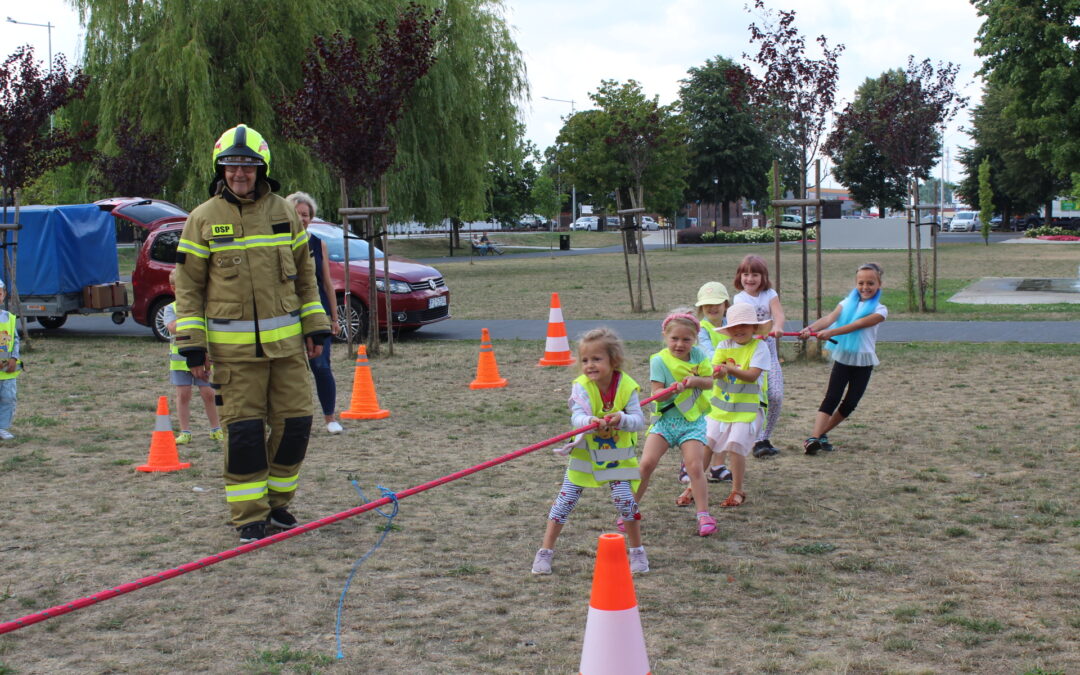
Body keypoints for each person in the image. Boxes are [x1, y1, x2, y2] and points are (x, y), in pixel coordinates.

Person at [174, 124, 331, 543]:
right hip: (232, 356)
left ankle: (277, 504)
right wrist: (193, 346)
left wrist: (316, 324)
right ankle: (248, 515)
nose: (239, 173)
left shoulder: (283, 212)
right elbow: (187, 287)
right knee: (244, 435)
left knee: (296, 425)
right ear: (220, 169)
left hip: (287, 350)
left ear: (261, 168)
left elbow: (305, 276)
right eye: (231, 165)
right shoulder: (202, 219)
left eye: (247, 165)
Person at [532, 328, 649, 575]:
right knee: (565, 502)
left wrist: (621, 419)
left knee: (626, 502)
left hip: (617, 457)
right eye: (585, 360)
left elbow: (639, 421)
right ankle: (545, 552)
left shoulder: (627, 386)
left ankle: (637, 551)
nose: (589, 365)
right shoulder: (581, 387)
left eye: (597, 359)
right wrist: (590, 422)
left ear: (613, 360)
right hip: (584, 456)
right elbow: (576, 417)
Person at [634, 310, 716, 537]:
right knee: (646, 464)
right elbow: (656, 393)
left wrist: (693, 381)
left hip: (692, 423)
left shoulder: (699, 356)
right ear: (665, 336)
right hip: (664, 423)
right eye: (674, 339)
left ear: (695, 340)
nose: (680, 344)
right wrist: (670, 390)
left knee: (694, 466)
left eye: (686, 339)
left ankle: (704, 515)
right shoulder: (659, 360)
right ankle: (629, 509)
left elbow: (709, 382)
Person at [799, 263, 888, 454]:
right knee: (832, 397)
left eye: (870, 283)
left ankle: (820, 434)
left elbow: (858, 325)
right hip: (844, 358)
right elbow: (830, 318)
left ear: (879, 284)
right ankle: (814, 439)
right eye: (861, 283)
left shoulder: (880, 310)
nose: (865, 287)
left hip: (864, 362)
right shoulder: (846, 302)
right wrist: (811, 329)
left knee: (850, 403)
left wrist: (831, 332)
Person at [285, 192, 343, 435]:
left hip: (315, 313)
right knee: (290, 372)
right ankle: (291, 420)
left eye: (306, 215)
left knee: (321, 366)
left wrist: (334, 317)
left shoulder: (319, 244)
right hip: (286, 315)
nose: (302, 219)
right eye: (297, 214)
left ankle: (330, 418)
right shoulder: (278, 244)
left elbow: (327, 284)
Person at [706, 303, 772, 508]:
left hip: (748, 409)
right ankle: (693, 486)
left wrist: (729, 369)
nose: (739, 329)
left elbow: (752, 375)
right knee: (705, 444)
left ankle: (737, 490)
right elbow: (715, 369)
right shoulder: (723, 346)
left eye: (745, 325)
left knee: (735, 446)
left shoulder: (759, 347)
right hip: (721, 408)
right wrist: (717, 371)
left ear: (754, 327)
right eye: (734, 325)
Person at [732, 254, 786, 458]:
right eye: (745, 274)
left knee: (775, 396)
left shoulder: (770, 293)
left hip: (769, 348)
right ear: (740, 276)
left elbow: (778, 314)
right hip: (750, 351)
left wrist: (778, 327)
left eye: (755, 274)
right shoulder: (739, 299)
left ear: (763, 276)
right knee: (755, 397)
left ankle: (764, 437)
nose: (750, 279)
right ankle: (754, 439)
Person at [163, 269, 222, 444]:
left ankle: (216, 429)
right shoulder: (171, 308)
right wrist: (190, 317)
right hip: (180, 362)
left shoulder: (203, 307)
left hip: (204, 359)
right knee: (183, 395)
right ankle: (185, 432)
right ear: (173, 288)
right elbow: (172, 327)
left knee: (209, 393)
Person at [693, 281, 734, 485]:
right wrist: (728, 362)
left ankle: (718, 466)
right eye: (707, 304)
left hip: (728, 384)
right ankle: (692, 465)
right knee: (709, 431)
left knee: (726, 425)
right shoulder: (702, 328)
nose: (712, 307)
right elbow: (708, 354)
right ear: (701, 307)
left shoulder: (732, 326)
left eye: (717, 303)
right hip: (710, 386)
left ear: (726, 304)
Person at [0, 279, 22, 440]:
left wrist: (14, 358)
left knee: (8, 398)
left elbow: (14, 339)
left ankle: (2, 427)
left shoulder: (8, 317)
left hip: (7, 369)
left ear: (4, 295)